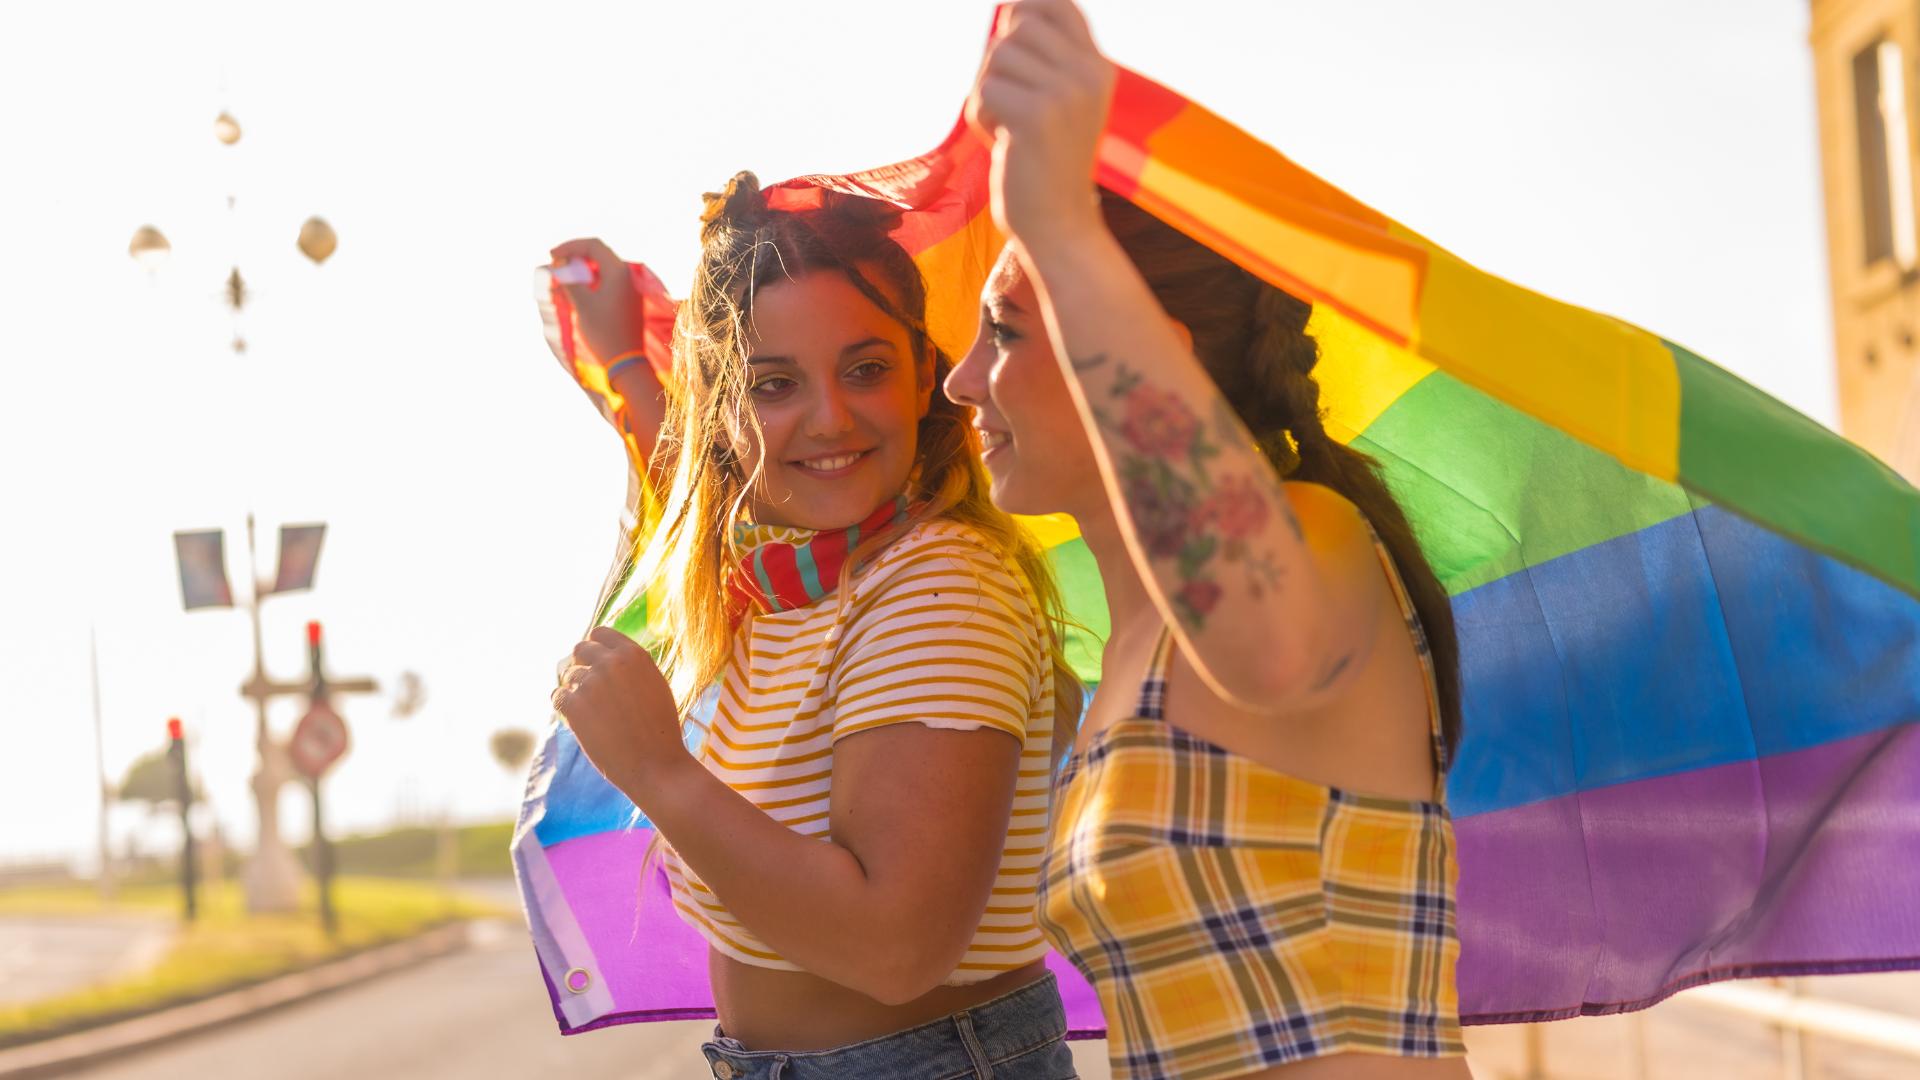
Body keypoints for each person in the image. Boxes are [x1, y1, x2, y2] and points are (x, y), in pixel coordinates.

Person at [946, 2, 1472, 1077]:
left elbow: (1267, 648)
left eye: (1004, 332)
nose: (961, 381)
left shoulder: (1316, 540)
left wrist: (1058, 226)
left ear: (1139, 352)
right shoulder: (1129, 647)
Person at [548, 175, 1086, 1079]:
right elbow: (679, 481)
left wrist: (654, 769)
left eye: (866, 368)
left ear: (925, 379)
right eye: (774, 384)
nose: (829, 418)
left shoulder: (935, 587)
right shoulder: (788, 579)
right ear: (721, 412)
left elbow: (896, 948)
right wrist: (622, 358)